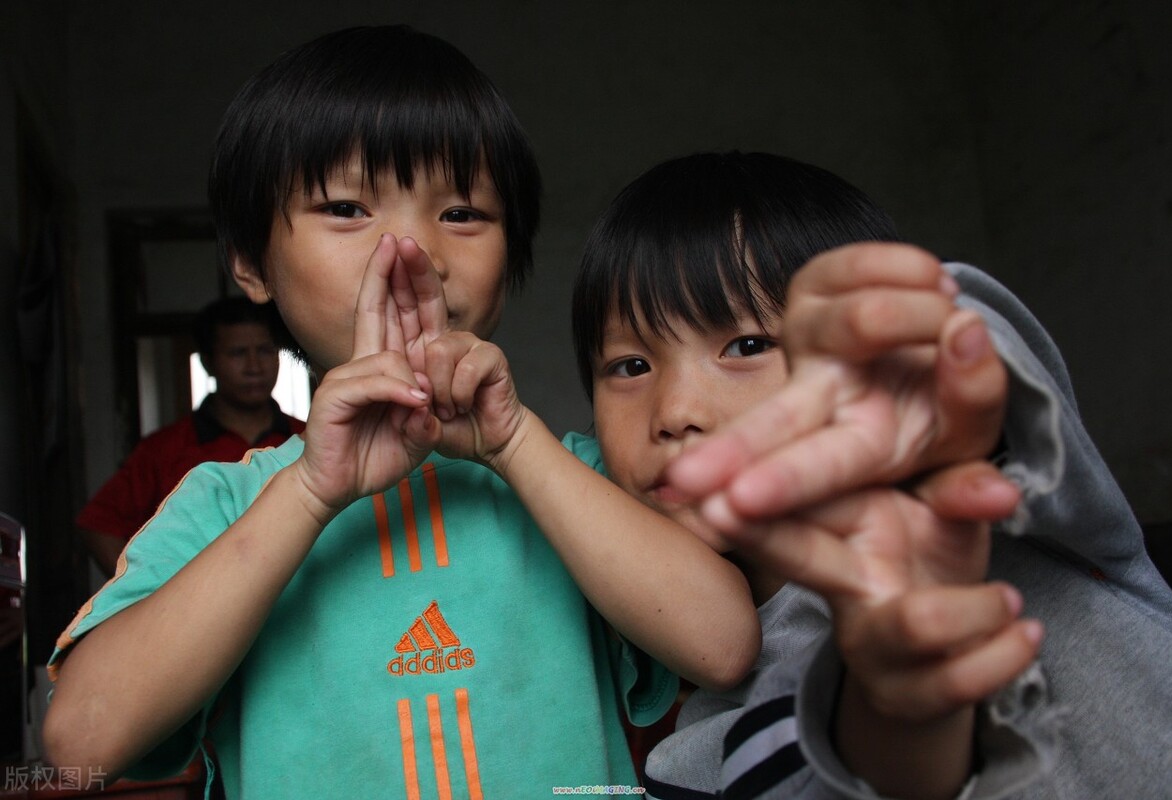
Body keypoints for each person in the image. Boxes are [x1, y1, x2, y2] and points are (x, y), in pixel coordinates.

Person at [42, 27, 758, 798]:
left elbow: (723, 648)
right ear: (250, 262)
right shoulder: (225, 507)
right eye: (347, 207)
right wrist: (308, 494)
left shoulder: (574, 478)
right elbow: (83, 739)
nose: (414, 252)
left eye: (463, 213)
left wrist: (516, 444)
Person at [572, 152, 1172, 798]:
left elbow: (988, 378)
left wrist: (925, 382)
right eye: (629, 366)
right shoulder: (690, 761)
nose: (675, 412)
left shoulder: (1012, 515)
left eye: (748, 345)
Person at [76, 296, 305, 576]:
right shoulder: (163, 449)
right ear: (208, 362)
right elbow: (97, 526)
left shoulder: (307, 438)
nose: (254, 367)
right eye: (237, 353)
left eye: (266, 350)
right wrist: (148, 592)